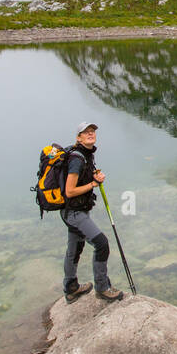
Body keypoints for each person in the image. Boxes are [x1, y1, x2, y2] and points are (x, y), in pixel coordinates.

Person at [62, 122, 123, 303]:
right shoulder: (77, 159)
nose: (90, 134)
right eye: (85, 132)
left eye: (92, 131)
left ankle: (71, 288)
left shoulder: (86, 155)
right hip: (74, 213)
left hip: (76, 211)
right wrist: (93, 184)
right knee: (102, 244)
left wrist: (94, 176)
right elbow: (69, 191)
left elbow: (83, 179)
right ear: (78, 138)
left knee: (75, 248)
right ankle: (103, 288)